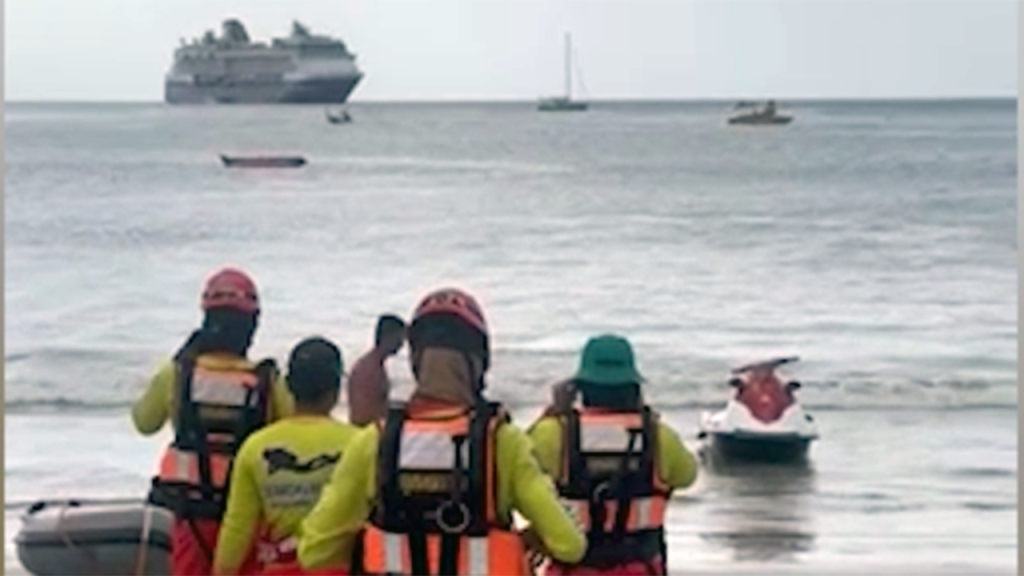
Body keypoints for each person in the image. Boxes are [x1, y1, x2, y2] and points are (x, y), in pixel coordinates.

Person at [297, 288, 587, 575]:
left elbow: (314, 552)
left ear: (416, 360)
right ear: (479, 362)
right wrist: (526, 540)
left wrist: (374, 539)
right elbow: (570, 545)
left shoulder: (374, 441)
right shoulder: (502, 442)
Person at [133, 267, 295, 576]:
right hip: (245, 515)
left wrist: (181, 357)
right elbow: (293, 432)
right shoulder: (267, 382)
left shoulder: (177, 374)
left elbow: (144, 422)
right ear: (251, 325)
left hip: (187, 513)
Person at [527, 334, 699, 576]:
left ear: (580, 387)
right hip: (640, 567)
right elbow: (687, 475)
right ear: (634, 387)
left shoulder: (553, 433)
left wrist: (554, 410)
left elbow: (515, 471)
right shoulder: (659, 436)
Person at [212, 336, 360, 576]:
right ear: (336, 388)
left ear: (289, 386)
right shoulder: (359, 443)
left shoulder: (256, 447)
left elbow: (238, 527)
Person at [346, 314, 406, 427]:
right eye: (400, 338)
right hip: (365, 432)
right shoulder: (369, 370)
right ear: (388, 337)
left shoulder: (375, 364)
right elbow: (362, 414)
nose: (402, 344)